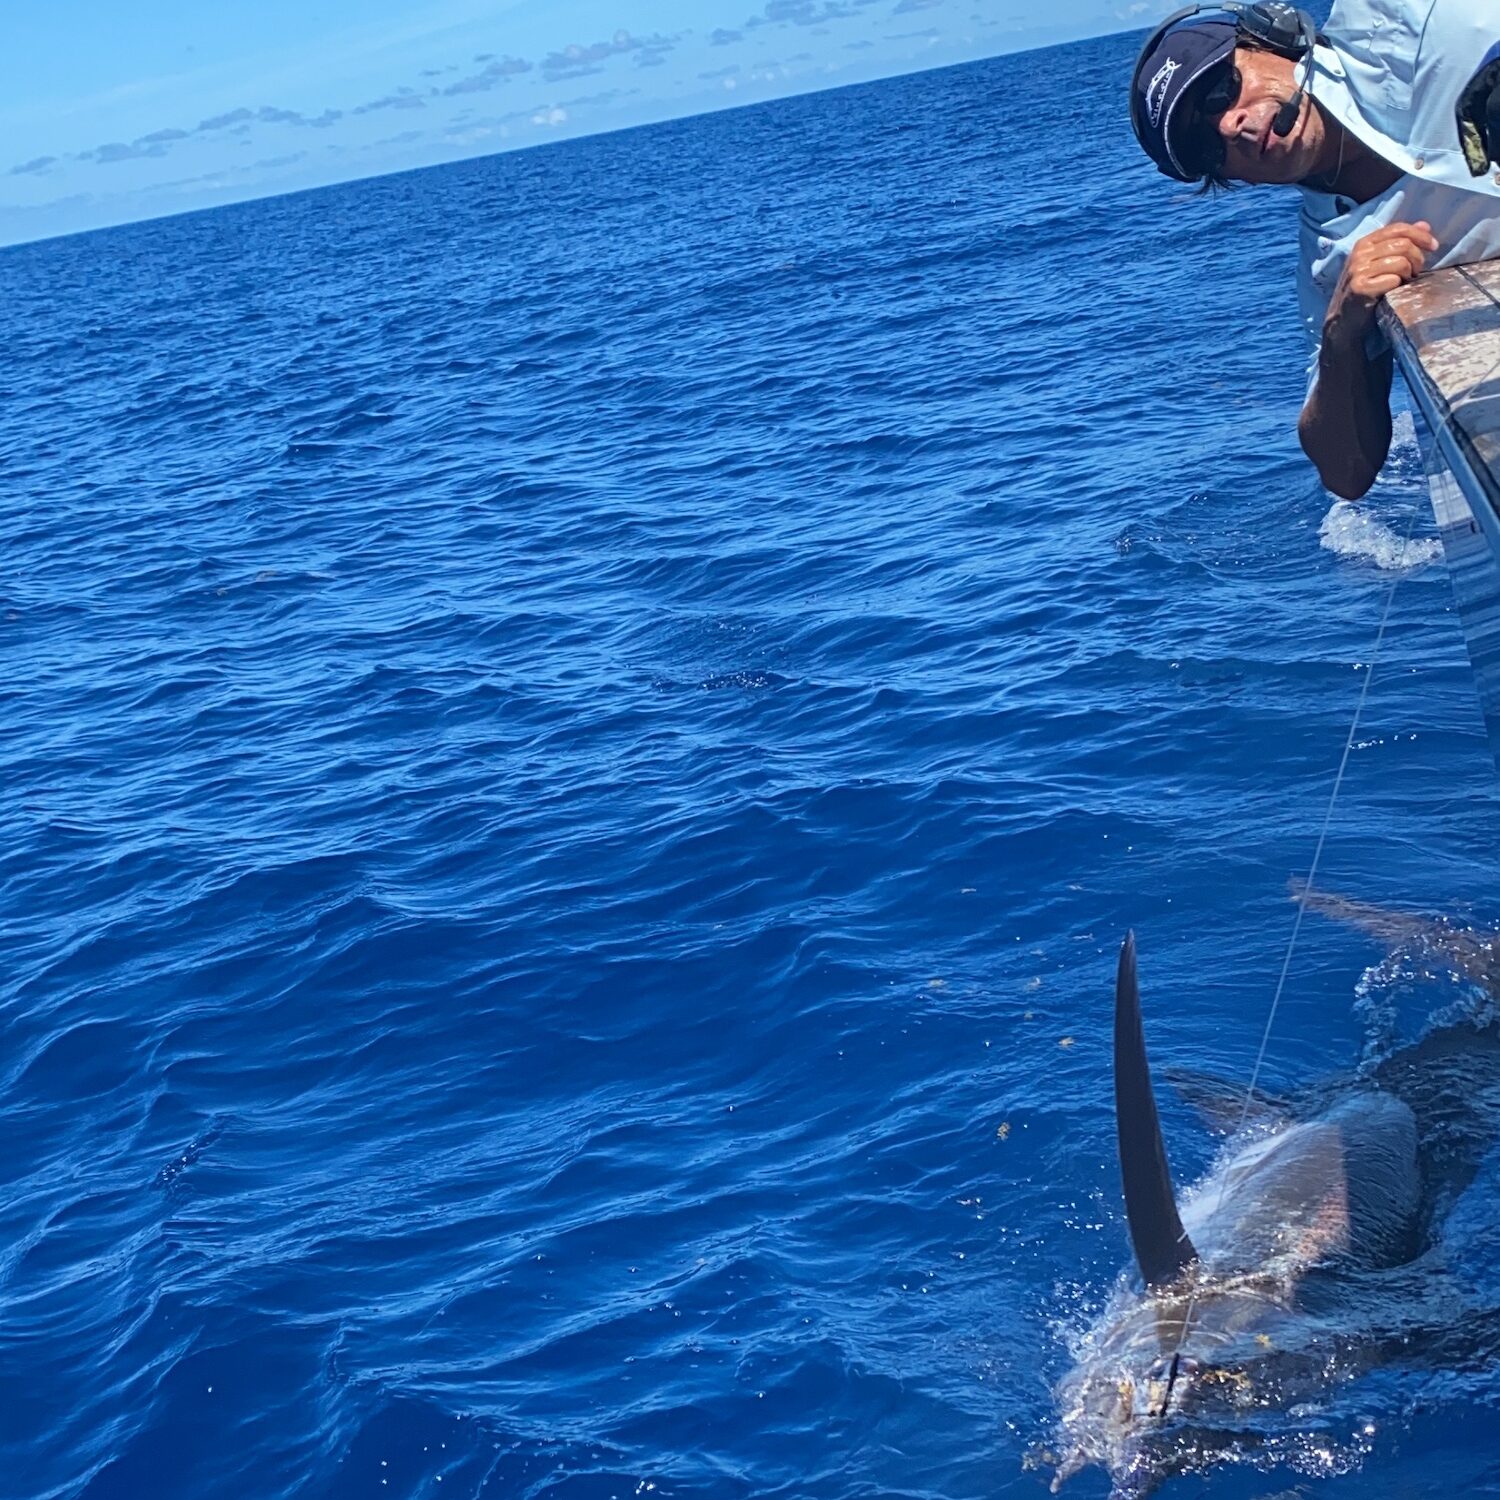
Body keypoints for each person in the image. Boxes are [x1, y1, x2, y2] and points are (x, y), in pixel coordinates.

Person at [1129, 1, 1500, 499]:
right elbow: (1346, 475)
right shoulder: (1330, 261)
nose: (1230, 127)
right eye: (1207, 150)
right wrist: (1342, 332)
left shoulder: (1405, 14)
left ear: (1269, 38)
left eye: (1220, 91)